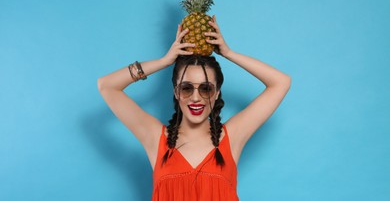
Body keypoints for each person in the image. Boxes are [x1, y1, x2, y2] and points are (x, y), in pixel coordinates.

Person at [97, 16, 291, 200]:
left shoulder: (231, 137)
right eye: (187, 88)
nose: (196, 98)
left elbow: (281, 82)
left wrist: (229, 53)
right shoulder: (156, 138)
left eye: (206, 88)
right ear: (175, 92)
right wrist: (163, 62)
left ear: (216, 93)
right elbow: (107, 85)